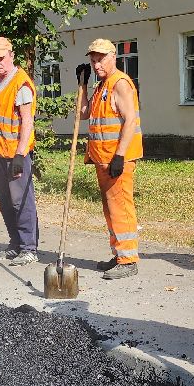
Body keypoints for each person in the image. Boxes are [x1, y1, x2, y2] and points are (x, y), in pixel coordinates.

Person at [82, 38, 142, 280]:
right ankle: (119, 254)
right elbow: (83, 114)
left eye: (101, 59)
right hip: (102, 159)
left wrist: (119, 156)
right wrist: (82, 85)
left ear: (112, 57)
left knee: (121, 208)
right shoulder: (101, 86)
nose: (97, 65)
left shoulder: (120, 84)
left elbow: (131, 120)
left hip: (117, 160)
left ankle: (128, 260)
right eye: (93, 60)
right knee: (110, 209)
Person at [0, 36, 39, 266]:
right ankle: (15, 244)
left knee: (21, 201)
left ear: (11, 56)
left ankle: (29, 248)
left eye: (1, 58)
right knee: (5, 201)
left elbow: (27, 122)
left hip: (17, 154)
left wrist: (20, 154)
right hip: (0, 152)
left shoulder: (21, 84)